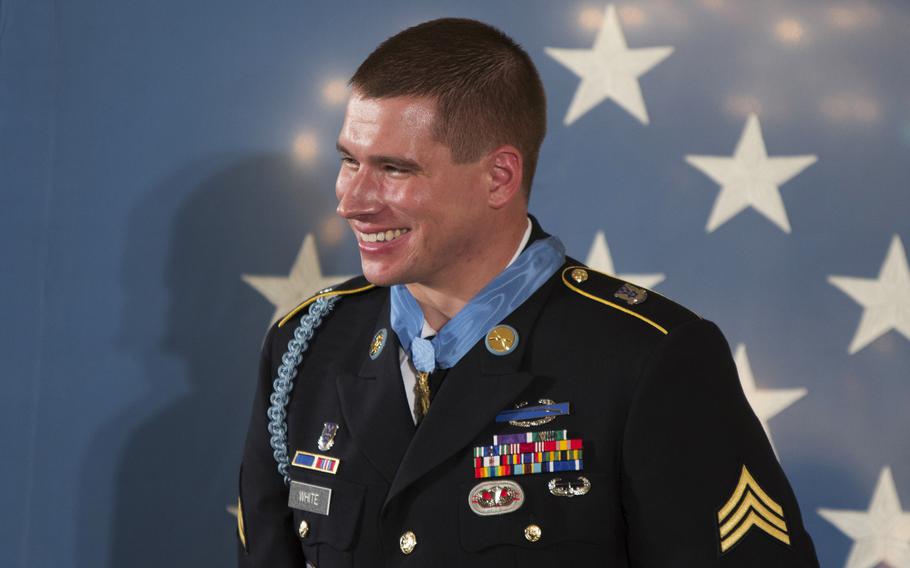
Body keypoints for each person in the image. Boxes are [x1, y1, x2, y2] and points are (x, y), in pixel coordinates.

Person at [238, 17, 820, 567]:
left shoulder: (649, 360)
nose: (352, 201)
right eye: (348, 161)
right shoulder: (307, 347)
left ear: (499, 178)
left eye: (394, 169)